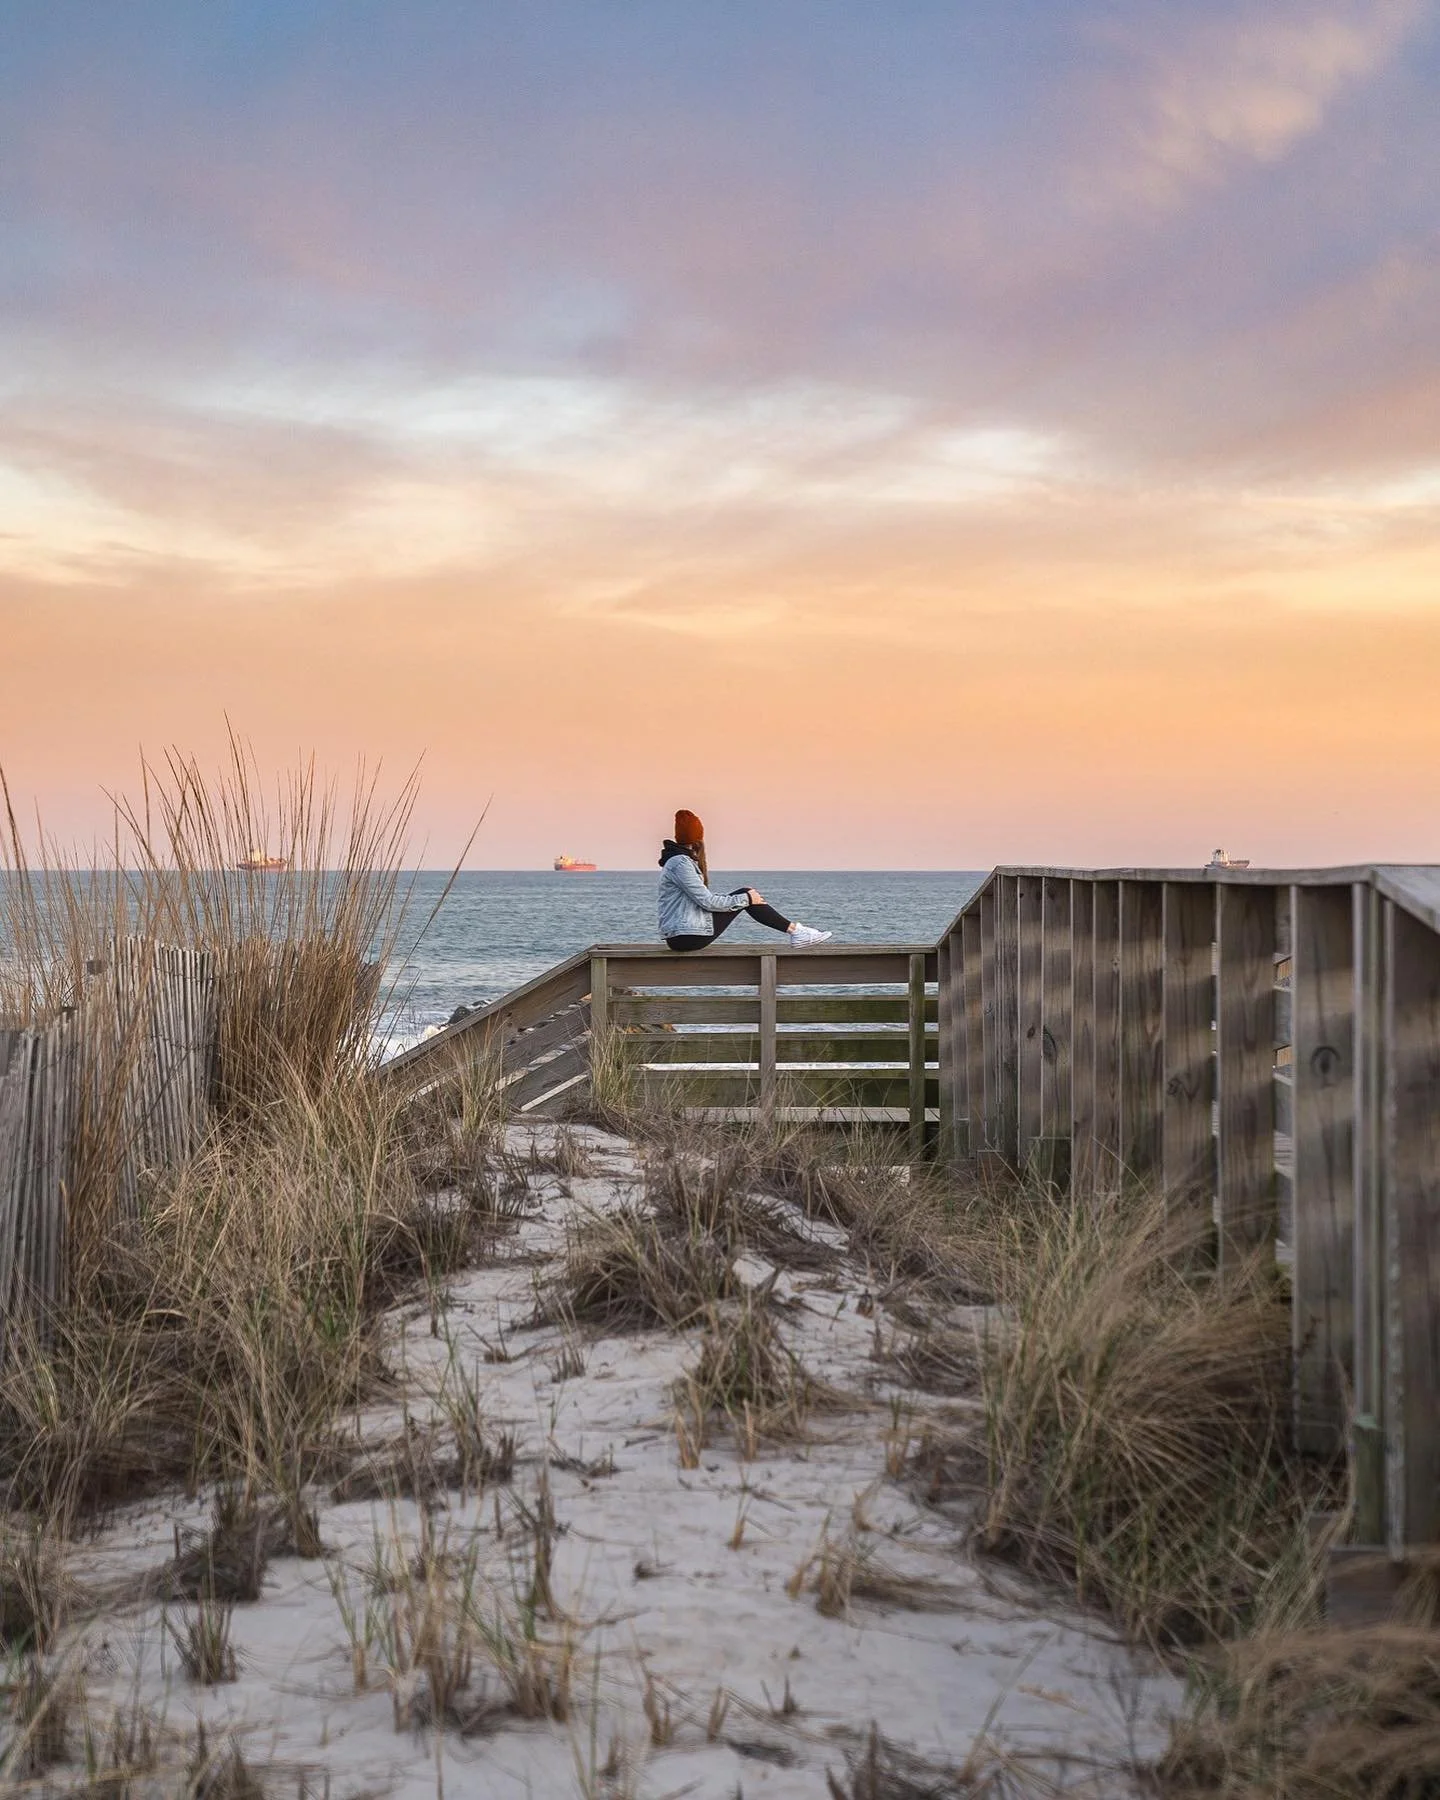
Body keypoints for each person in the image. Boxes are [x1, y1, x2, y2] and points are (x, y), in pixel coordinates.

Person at [658, 809, 832, 953]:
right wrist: (747, 899)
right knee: (746, 894)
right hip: (686, 937)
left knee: (746, 894)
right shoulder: (680, 863)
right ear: (699, 837)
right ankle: (796, 931)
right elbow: (707, 901)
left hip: (683, 935)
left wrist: (745, 898)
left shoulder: (680, 861)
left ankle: (796, 931)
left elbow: (703, 899)